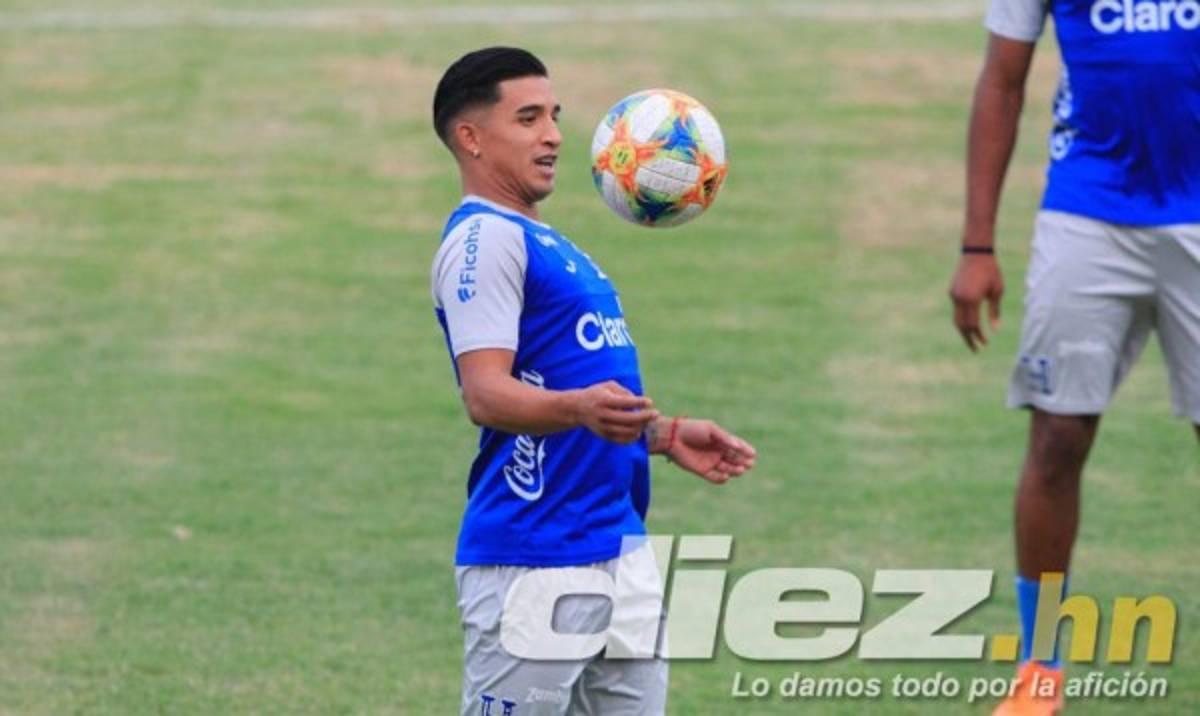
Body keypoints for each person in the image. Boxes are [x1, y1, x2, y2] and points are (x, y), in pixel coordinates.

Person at [429, 47, 757, 715]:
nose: (552, 134)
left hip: (616, 544)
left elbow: (568, 384)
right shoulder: (483, 240)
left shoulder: (555, 246)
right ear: (470, 137)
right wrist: (579, 408)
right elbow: (485, 393)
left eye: (554, 116)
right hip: (535, 555)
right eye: (527, 118)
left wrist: (660, 435)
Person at [949, 2, 1199, 714]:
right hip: (1088, 212)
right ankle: (1040, 670)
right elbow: (1002, 80)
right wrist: (976, 245)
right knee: (1057, 436)